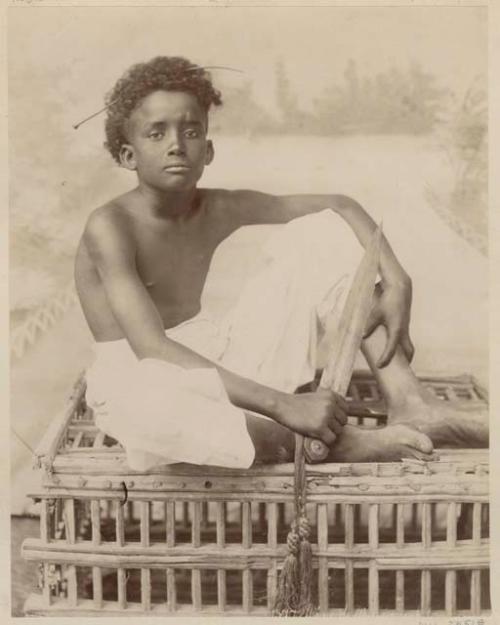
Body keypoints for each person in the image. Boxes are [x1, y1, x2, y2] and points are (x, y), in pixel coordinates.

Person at [75, 56, 487, 470]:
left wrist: (398, 280)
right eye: (156, 133)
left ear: (209, 151)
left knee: (319, 231)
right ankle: (319, 443)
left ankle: (411, 402)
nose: (176, 144)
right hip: (142, 371)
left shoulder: (217, 207)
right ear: (128, 155)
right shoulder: (109, 227)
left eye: (192, 131)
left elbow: (340, 205)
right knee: (149, 407)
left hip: (215, 355)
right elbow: (152, 348)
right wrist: (283, 404)